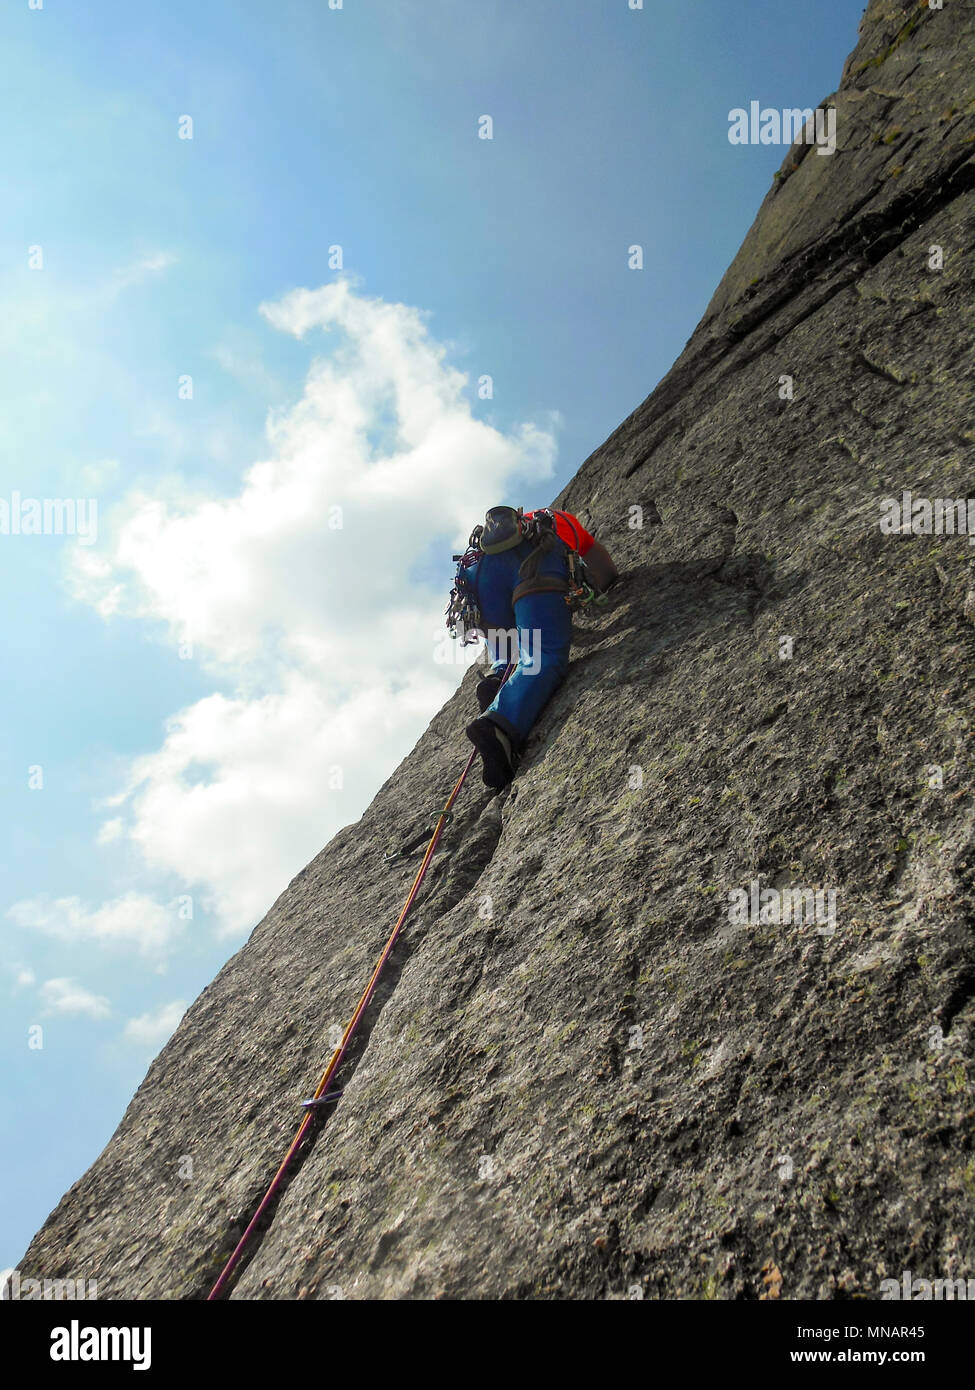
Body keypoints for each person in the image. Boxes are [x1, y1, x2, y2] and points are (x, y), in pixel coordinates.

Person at [461, 506, 619, 790]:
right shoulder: (562, 522)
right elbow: (606, 571)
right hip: (534, 560)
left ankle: (500, 674)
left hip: (478, 573)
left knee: (512, 638)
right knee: (541, 656)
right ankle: (500, 724)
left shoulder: (493, 537)